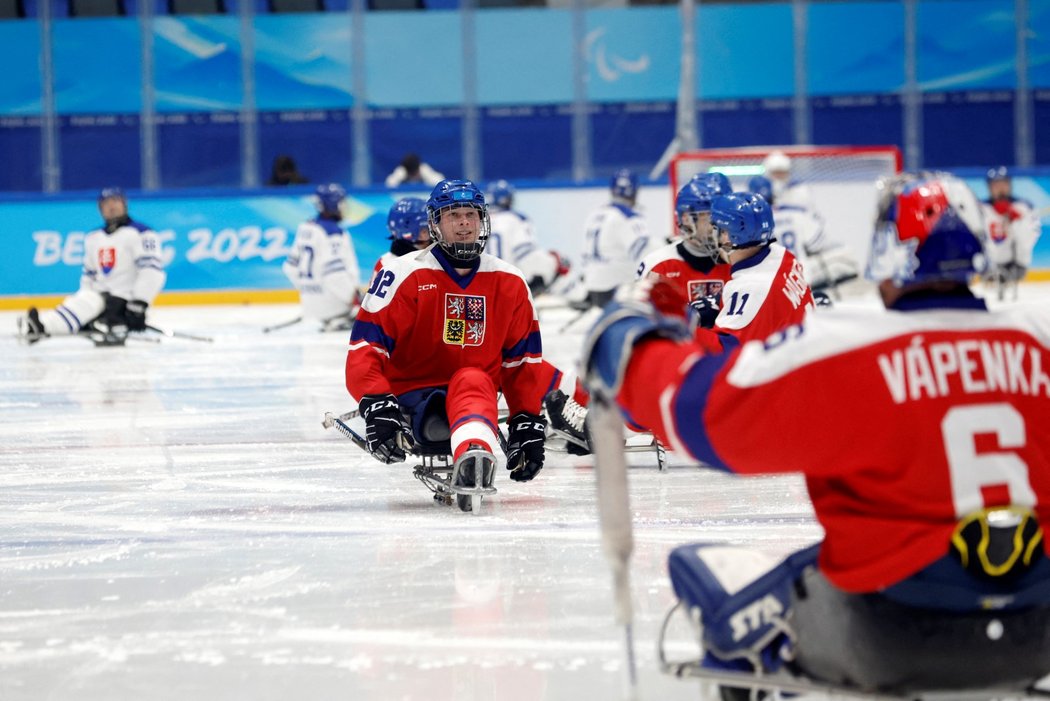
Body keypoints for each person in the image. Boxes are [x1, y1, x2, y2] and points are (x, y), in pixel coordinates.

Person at [583, 172, 1050, 692]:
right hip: (1040, 629)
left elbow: (702, 416)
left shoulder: (850, 349)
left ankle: (751, 671)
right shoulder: (1039, 339)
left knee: (705, 573)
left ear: (889, 250)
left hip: (894, 630)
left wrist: (635, 349)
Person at [345, 179, 548, 512]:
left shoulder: (510, 280)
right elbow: (366, 347)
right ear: (435, 223)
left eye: (471, 214)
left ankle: (474, 455)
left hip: (475, 393)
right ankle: (476, 450)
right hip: (415, 399)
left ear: (483, 220)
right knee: (473, 379)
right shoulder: (402, 274)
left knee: (474, 378)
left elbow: (522, 362)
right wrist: (377, 402)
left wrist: (526, 418)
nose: (465, 223)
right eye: (453, 215)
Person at [17, 187, 166, 345]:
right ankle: (43, 326)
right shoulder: (93, 237)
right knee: (84, 301)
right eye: (106, 203)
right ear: (100, 208)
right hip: (100, 299)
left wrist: (139, 303)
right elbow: (89, 275)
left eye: (115, 201)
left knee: (93, 305)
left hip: (125, 300)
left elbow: (151, 271)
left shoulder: (142, 233)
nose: (111, 206)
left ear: (124, 204)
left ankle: (46, 327)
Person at [705, 192, 814, 344]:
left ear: (728, 236)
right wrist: (722, 301)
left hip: (787, 364)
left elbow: (724, 352)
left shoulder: (750, 288)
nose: (714, 236)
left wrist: (691, 326)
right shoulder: (782, 255)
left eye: (718, 230)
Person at [748, 174, 858, 294]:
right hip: (801, 280)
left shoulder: (751, 222)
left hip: (769, 285)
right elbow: (816, 244)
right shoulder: (795, 212)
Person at [282, 183, 362, 332]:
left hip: (310, 306)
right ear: (332, 205)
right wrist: (355, 299)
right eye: (341, 203)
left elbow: (290, 268)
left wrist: (310, 291)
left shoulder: (306, 227)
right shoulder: (333, 233)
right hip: (336, 308)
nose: (344, 208)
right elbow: (335, 275)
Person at [580, 168, 652, 309]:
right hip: (618, 291)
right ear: (635, 191)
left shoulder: (595, 214)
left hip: (592, 289)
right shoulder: (628, 217)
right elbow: (645, 254)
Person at [485, 179, 569, 296]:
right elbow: (526, 255)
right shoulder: (516, 219)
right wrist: (552, 265)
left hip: (482, 289)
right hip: (509, 286)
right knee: (560, 263)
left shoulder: (477, 221)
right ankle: (581, 299)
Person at [982, 166, 1041, 289]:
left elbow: (1032, 236)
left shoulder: (1023, 206)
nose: (1001, 189)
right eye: (996, 185)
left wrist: (1017, 221)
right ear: (989, 187)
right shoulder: (981, 208)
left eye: (1004, 184)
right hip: (988, 267)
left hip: (1016, 266)